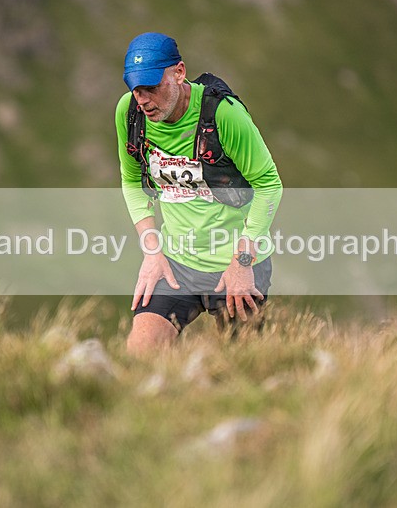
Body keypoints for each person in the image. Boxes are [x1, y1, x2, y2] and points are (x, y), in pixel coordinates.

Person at [115, 32, 283, 355]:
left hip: (238, 260)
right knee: (140, 354)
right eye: (135, 89)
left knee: (244, 367)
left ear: (179, 72)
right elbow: (131, 179)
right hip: (177, 263)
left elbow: (269, 184)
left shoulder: (223, 115)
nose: (143, 99)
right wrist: (152, 250)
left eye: (152, 87)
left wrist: (242, 261)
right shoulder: (130, 114)